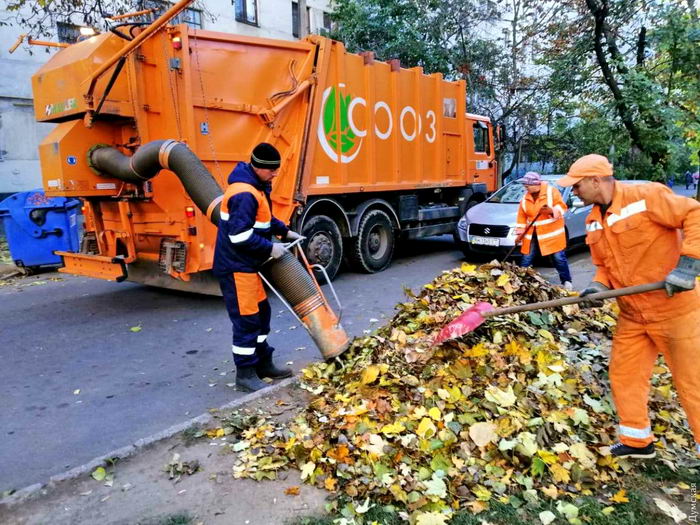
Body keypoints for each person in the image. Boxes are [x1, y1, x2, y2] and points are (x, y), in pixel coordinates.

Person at [558, 154, 700, 460]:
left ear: (596, 180)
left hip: (675, 310)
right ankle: (638, 440)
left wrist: (689, 264)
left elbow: (694, 215)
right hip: (633, 315)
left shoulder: (647, 196)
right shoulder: (592, 220)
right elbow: (604, 267)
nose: (574, 191)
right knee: (625, 375)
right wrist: (597, 287)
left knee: (693, 384)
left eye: (577, 185)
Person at [213, 142, 303, 392]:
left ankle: (264, 363)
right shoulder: (244, 193)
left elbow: (263, 219)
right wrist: (269, 248)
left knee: (262, 315)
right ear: (259, 168)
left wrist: (284, 232)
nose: (275, 174)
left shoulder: (256, 187)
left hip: (248, 267)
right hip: (236, 267)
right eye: (272, 170)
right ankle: (245, 374)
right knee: (247, 321)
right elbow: (239, 237)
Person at [514, 171, 573, 290]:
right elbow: (522, 216)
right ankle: (519, 282)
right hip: (532, 234)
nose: (525, 188)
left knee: (558, 258)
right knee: (526, 258)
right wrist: (520, 233)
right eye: (524, 186)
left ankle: (566, 281)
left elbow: (562, 207)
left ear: (536, 184)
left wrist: (551, 211)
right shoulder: (526, 198)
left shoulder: (551, 192)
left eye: (527, 186)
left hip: (552, 234)